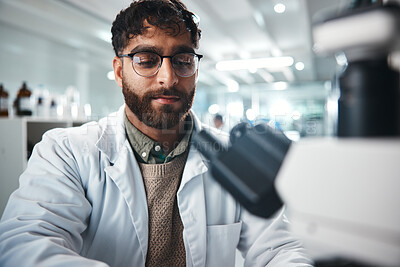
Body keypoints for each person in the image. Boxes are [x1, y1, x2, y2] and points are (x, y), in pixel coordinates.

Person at [0, 0, 313, 266]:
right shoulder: (66, 152)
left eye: (183, 60)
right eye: (147, 61)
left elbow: (280, 250)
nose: (168, 77)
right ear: (120, 70)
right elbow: (27, 246)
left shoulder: (232, 158)